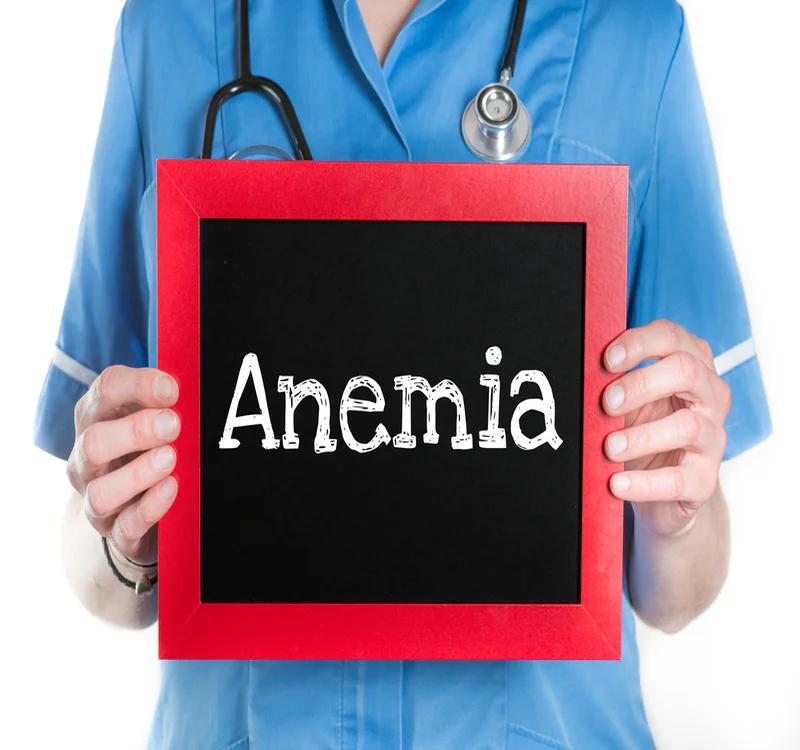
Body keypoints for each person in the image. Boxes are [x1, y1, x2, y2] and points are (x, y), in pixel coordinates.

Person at [34, 0, 771, 747]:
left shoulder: (633, 35)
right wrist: (122, 536)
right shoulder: (170, 29)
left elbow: (677, 597)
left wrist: (677, 516)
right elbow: (98, 556)